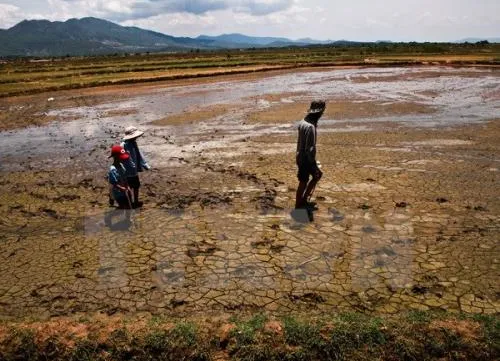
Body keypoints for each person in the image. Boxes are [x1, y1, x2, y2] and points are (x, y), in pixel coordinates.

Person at [295, 100, 326, 209]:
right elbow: (310, 149)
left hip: (299, 156)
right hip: (306, 159)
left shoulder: (303, 121)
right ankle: (300, 204)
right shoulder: (311, 127)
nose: (322, 114)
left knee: (309, 178)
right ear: (318, 112)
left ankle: (303, 200)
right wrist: (314, 164)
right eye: (322, 112)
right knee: (305, 181)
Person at [121, 126, 151, 208]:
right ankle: (130, 202)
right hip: (127, 171)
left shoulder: (134, 143)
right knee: (129, 187)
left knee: (136, 186)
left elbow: (139, 154)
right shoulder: (123, 145)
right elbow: (125, 157)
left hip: (134, 171)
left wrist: (145, 164)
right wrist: (132, 165)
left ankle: (136, 201)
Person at [108, 145, 134, 209]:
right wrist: (121, 188)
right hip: (118, 193)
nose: (122, 159)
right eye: (120, 157)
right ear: (115, 157)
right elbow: (113, 183)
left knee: (129, 205)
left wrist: (127, 186)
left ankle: (128, 218)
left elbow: (125, 178)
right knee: (123, 207)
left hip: (125, 189)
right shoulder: (112, 169)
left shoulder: (121, 165)